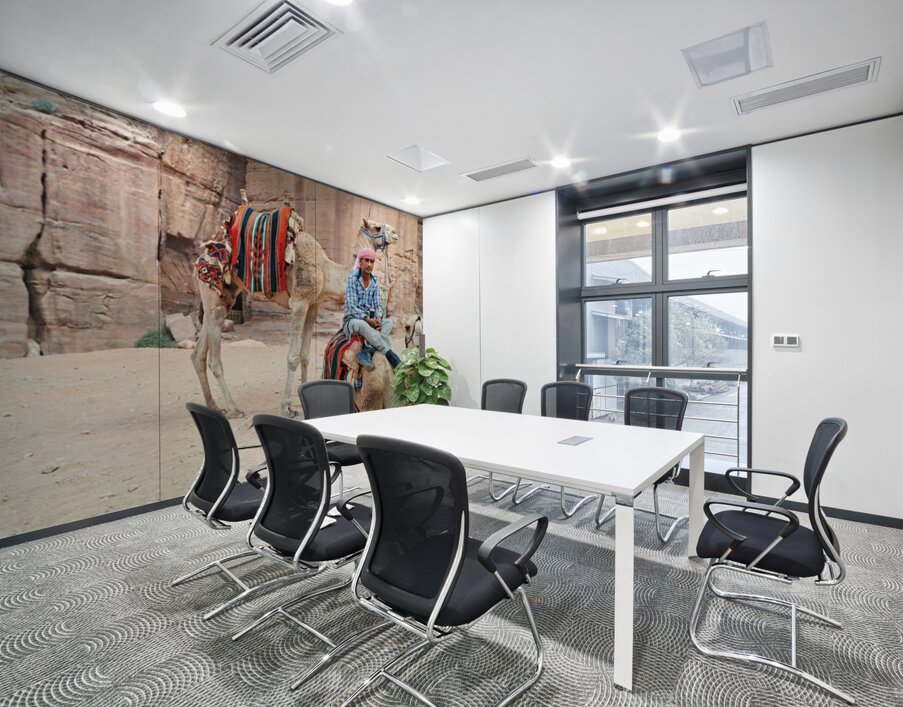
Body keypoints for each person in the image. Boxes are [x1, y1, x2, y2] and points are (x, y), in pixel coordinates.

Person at [343, 248, 401, 369]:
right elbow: (352, 307)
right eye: (366, 260)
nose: (369, 264)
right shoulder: (352, 278)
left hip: (369, 319)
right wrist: (367, 319)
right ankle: (390, 354)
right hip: (353, 320)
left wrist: (379, 319)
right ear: (360, 261)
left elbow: (378, 304)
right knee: (363, 324)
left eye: (372, 261)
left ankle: (368, 349)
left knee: (388, 323)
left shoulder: (374, 282)